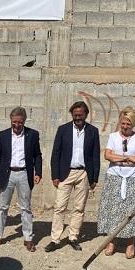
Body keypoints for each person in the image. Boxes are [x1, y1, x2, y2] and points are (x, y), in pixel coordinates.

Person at [46, 101, 100, 252]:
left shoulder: (93, 131)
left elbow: (95, 155)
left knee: (79, 208)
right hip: (65, 173)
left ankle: (73, 237)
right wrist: (55, 175)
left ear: (86, 115)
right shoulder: (63, 130)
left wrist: (94, 177)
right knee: (59, 207)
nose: (77, 117)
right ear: (72, 115)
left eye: (80, 115)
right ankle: (55, 239)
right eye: (75, 115)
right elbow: (55, 153)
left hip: (84, 173)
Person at [97, 107, 135, 259]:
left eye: (128, 125)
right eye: (123, 123)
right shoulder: (113, 136)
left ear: (133, 125)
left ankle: (130, 243)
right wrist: (127, 158)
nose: (125, 127)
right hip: (114, 177)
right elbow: (107, 155)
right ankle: (112, 241)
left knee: (130, 211)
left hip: (133, 179)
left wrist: (119, 157)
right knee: (113, 209)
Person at [0, 107, 42, 252]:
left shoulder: (32, 135)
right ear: (11, 121)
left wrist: (37, 172)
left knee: (26, 207)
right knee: (2, 207)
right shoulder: (3, 135)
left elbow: (37, 155)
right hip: (7, 174)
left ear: (24, 121)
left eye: (20, 122)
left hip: (24, 174)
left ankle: (28, 238)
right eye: (14, 122)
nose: (17, 125)